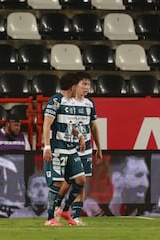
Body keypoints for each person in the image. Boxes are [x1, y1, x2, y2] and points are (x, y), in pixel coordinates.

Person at [55, 71, 103, 224]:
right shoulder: (67, 102)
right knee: (70, 180)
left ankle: (74, 216)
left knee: (82, 182)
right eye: (84, 84)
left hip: (86, 148)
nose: (87, 87)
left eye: (89, 84)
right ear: (75, 86)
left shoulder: (89, 104)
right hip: (70, 147)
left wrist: (99, 148)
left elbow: (93, 126)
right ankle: (56, 208)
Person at [42, 73, 85, 226]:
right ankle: (50, 218)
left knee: (80, 179)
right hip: (57, 149)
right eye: (78, 86)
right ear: (73, 87)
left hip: (70, 148)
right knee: (57, 183)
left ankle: (65, 210)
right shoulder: (55, 100)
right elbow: (47, 124)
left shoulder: (71, 103)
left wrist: (79, 135)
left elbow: (70, 125)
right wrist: (47, 147)